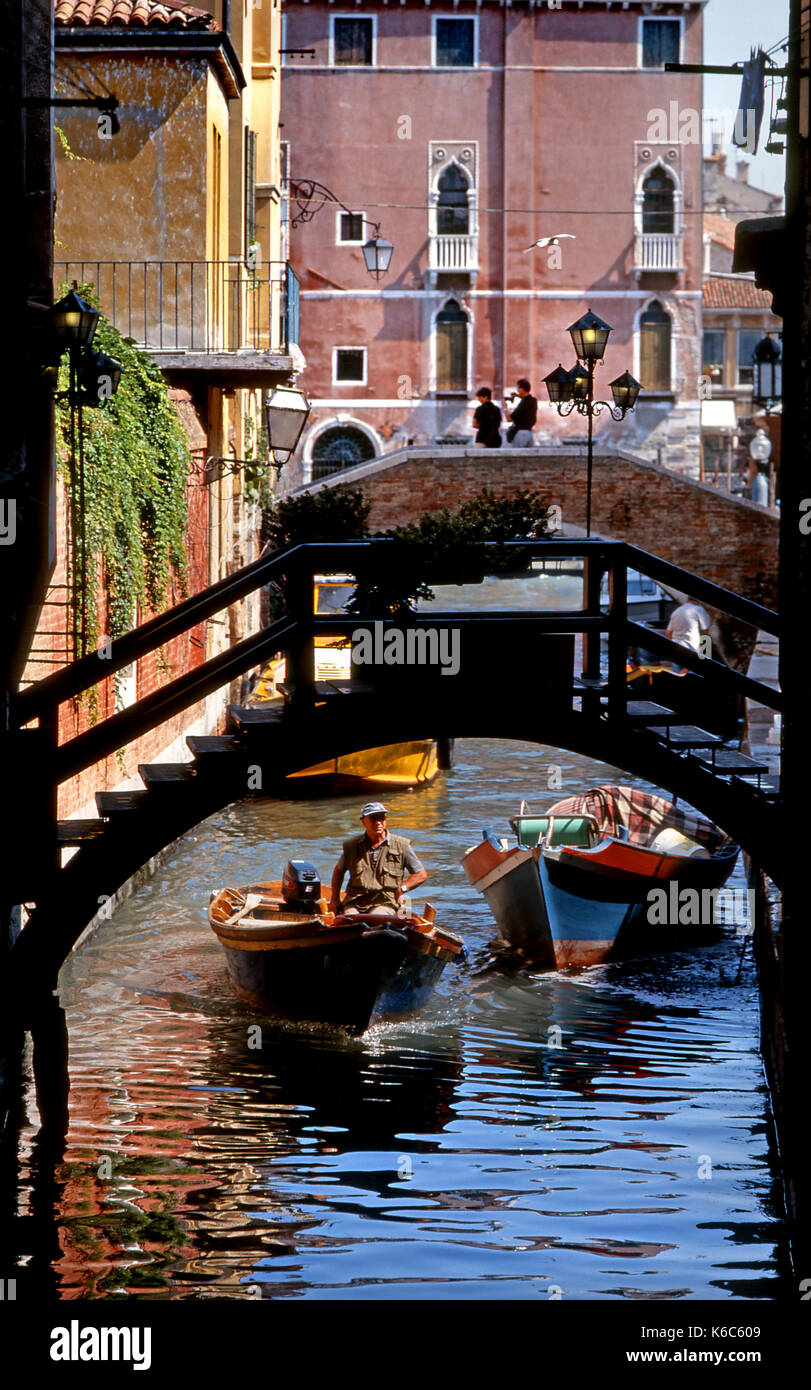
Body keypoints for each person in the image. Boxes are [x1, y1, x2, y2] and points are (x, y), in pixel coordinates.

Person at [330, 802, 428, 916]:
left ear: (385, 819)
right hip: (355, 902)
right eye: (373, 818)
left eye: (381, 818)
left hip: (385, 902)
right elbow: (339, 872)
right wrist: (334, 900)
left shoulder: (402, 845)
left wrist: (402, 889)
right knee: (350, 918)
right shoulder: (351, 846)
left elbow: (421, 874)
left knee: (378, 917)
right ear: (363, 822)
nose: (378, 822)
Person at [666, 600, 711, 673]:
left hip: (675, 649)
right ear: (698, 601)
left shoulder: (677, 611)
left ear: (687, 600)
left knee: (677, 676)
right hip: (690, 649)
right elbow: (705, 630)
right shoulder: (699, 609)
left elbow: (668, 633)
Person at [506, 378, 537, 446]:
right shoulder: (533, 401)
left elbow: (509, 419)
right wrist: (517, 395)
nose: (517, 390)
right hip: (529, 433)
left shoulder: (524, 403)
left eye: (518, 388)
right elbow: (526, 397)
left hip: (521, 434)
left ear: (522, 388)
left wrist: (505, 408)